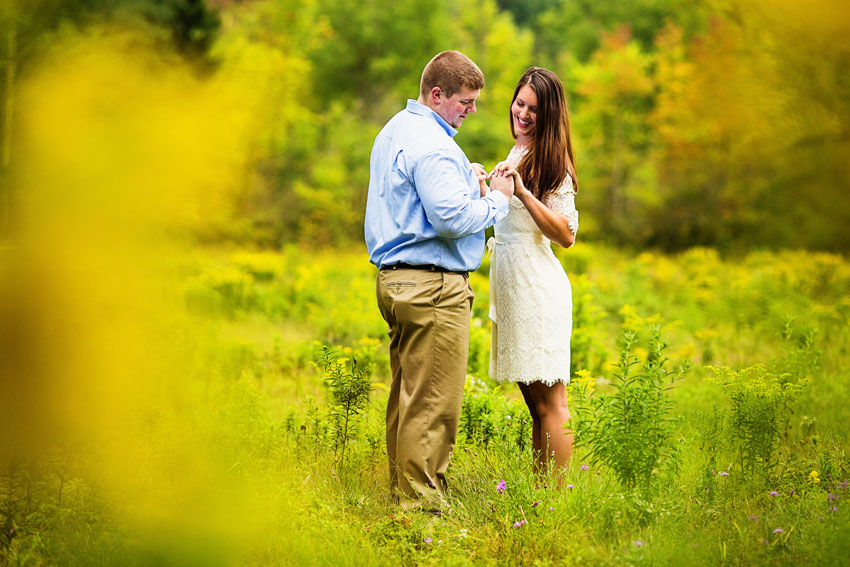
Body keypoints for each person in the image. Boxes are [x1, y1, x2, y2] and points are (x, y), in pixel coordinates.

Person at [364, 50, 515, 511]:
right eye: (466, 101)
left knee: (409, 397)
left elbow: (420, 202)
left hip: (398, 282)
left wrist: (466, 182)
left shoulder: (396, 130)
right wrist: (499, 200)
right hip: (432, 288)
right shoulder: (433, 144)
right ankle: (421, 514)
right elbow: (449, 219)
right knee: (433, 404)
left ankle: (403, 497)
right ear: (437, 94)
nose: (472, 110)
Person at [487, 67, 579, 480]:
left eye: (535, 109)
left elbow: (566, 234)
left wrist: (522, 192)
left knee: (552, 403)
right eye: (520, 103)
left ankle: (557, 498)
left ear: (550, 115)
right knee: (534, 404)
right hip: (514, 289)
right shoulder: (516, 152)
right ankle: (540, 493)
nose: (523, 113)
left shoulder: (554, 162)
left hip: (537, 290)